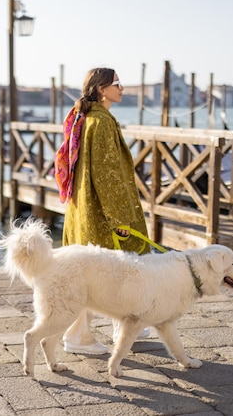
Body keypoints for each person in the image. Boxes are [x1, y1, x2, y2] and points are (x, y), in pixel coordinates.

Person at [54, 67, 150, 355]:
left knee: (92, 272)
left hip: (83, 208)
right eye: (117, 84)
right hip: (100, 211)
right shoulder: (101, 122)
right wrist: (119, 218)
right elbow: (107, 174)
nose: (123, 89)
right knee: (106, 273)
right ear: (100, 89)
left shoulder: (86, 119)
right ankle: (79, 337)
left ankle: (121, 326)